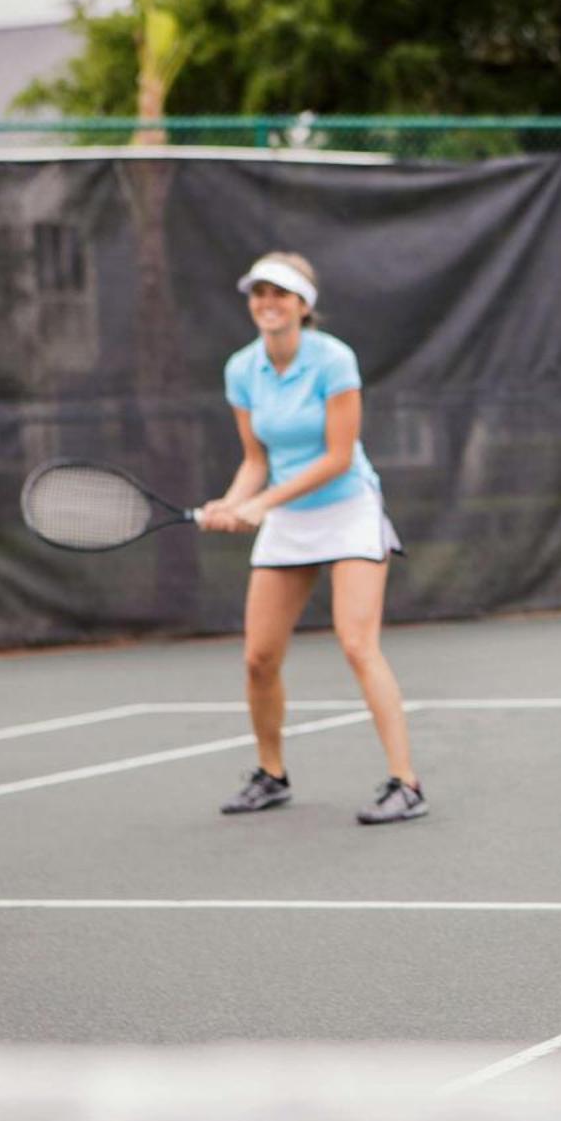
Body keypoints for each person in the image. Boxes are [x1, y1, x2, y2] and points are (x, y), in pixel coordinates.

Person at [200, 252, 427, 826]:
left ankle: (406, 783)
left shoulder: (334, 360)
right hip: (289, 518)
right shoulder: (241, 369)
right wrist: (231, 503)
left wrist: (260, 504)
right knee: (259, 658)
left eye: (280, 294)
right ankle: (271, 775)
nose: (267, 304)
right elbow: (256, 460)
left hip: (348, 507)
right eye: (258, 294)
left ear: (303, 305)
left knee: (357, 644)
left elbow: (337, 457)